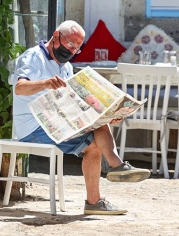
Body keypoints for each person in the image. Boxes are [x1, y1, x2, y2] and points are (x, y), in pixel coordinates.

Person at [12, 20, 150, 215]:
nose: (73, 50)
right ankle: (115, 166)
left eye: (77, 47)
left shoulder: (66, 66)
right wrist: (46, 83)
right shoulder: (34, 57)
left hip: (55, 122)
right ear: (55, 35)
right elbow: (20, 88)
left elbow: (75, 105)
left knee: (97, 130)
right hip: (33, 126)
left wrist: (109, 116)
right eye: (70, 44)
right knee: (94, 139)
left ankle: (95, 200)